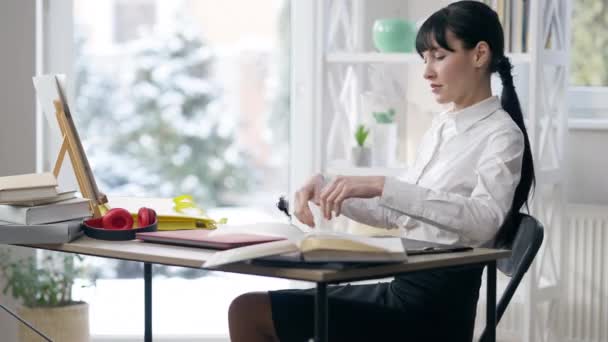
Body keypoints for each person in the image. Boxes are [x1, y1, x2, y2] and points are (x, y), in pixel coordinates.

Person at [228, 1, 535, 341]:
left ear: (479, 55)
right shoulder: (443, 126)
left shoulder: (502, 135)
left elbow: (484, 221)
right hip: (402, 289)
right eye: (425, 58)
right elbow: (397, 214)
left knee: (249, 312)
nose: (427, 71)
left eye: (439, 56)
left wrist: (382, 185)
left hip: (431, 312)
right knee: (246, 309)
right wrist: (332, 191)